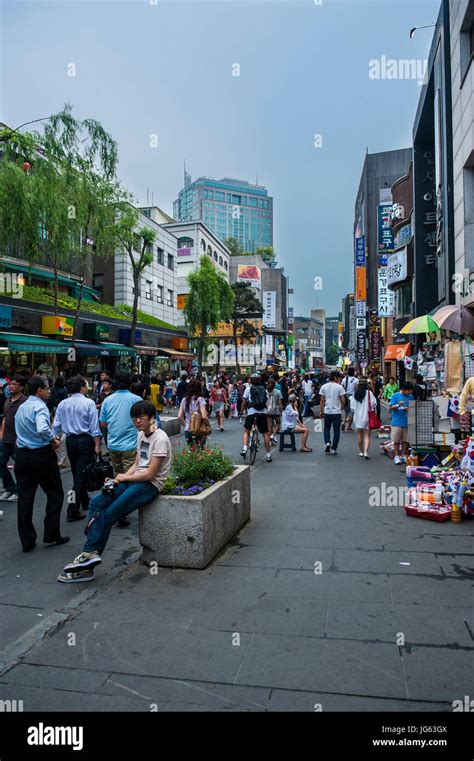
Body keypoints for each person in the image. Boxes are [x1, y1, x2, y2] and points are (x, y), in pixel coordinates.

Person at [58, 401, 172, 583]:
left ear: (151, 417)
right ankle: (91, 553)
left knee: (109, 515)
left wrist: (124, 478)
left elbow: (150, 474)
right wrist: (118, 479)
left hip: (149, 486)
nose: (137, 421)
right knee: (96, 503)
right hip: (134, 480)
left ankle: (89, 560)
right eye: (134, 417)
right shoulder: (141, 435)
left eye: (141, 417)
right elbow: (137, 464)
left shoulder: (160, 439)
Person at [14, 375, 69, 552]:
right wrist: (53, 441)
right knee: (54, 493)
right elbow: (43, 428)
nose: (49, 391)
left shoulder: (22, 407)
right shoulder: (40, 407)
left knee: (25, 498)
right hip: (41, 455)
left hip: (22, 455)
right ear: (39, 390)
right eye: (47, 388)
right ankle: (52, 534)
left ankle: (27, 540)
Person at [52, 375, 102, 523]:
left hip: (70, 441)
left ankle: (84, 501)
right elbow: (94, 427)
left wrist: (55, 440)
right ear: (81, 387)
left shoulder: (63, 404)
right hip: (84, 440)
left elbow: (56, 425)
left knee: (77, 472)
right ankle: (72, 508)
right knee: (80, 475)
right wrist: (97, 444)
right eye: (86, 385)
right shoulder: (89, 403)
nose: (87, 387)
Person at [99, 370, 143, 528]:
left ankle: (117, 509)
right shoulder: (136, 399)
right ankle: (120, 511)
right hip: (131, 444)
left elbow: (103, 424)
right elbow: (143, 421)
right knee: (129, 479)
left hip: (113, 445)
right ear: (130, 383)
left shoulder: (108, 400)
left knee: (117, 477)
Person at [0, 375, 27, 502]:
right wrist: (1, 434)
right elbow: (5, 419)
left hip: (18, 440)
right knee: (1, 464)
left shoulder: (24, 401)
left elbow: (25, 422)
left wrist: (20, 438)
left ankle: (20, 491)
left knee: (19, 468)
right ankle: (10, 488)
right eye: (11, 384)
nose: (11, 386)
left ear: (21, 387)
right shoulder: (7, 400)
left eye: (15, 384)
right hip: (6, 439)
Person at [240, 374, 272, 462]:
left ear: (251, 380)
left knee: (246, 430)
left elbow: (244, 402)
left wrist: (241, 411)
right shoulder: (264, 390)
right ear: (259, 380)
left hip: (251, 412)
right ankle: (268, 454)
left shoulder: (248, 389)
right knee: (265, 433)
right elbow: (267, 401)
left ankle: (245, 447)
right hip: (262, 412)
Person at [178, 379, 210, 448]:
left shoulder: (184, 400)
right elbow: (204, 416)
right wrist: (208, 425)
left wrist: (186, 426)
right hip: (198, 430)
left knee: (192, 453)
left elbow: (179, 416)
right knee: (200, 453)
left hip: (188, 430)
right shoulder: (200, 399)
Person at [320, 371, 346, 455]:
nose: (339, 379)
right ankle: (334, 448)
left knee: (326, 428)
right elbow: (343, 400)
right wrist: (341, 407)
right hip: (337, 412)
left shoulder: (324, 386)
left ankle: (327, 442)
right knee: (336, 431)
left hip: (327, 411)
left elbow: (322, 401)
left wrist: (321, 411)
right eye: (338, 378)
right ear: (335, 377)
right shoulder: (339, 387)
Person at [350, 379, 377, 459]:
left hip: (358, 417)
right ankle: (366, 452)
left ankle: (361, 452)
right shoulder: (369, 393)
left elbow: (352, 408)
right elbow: (374, 404)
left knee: (360, 435)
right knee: (367, 435)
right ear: (366, 385)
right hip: (368, 416)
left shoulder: (355, 394)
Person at [389, 381, 415, 465]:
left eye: (410, 390)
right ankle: (396, 456)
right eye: (408, 390)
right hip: (397, 421)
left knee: (405, 440)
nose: (409, 392)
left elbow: (413, 407)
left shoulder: (411, 396)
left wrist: (409, 409)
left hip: (407, 421)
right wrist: (398, 405)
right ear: (403, 389)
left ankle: (403, 455)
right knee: (396, 440)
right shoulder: (395, 396)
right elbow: (391, 407)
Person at [266, 378, 283, 445]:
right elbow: (280, 402)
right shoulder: (278, 392)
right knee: (278, 423)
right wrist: (281, 410)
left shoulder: (266, 392)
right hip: (276, 410)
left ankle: (269, 441)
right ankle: (273, 435)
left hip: (268, 410)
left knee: (269, 426)